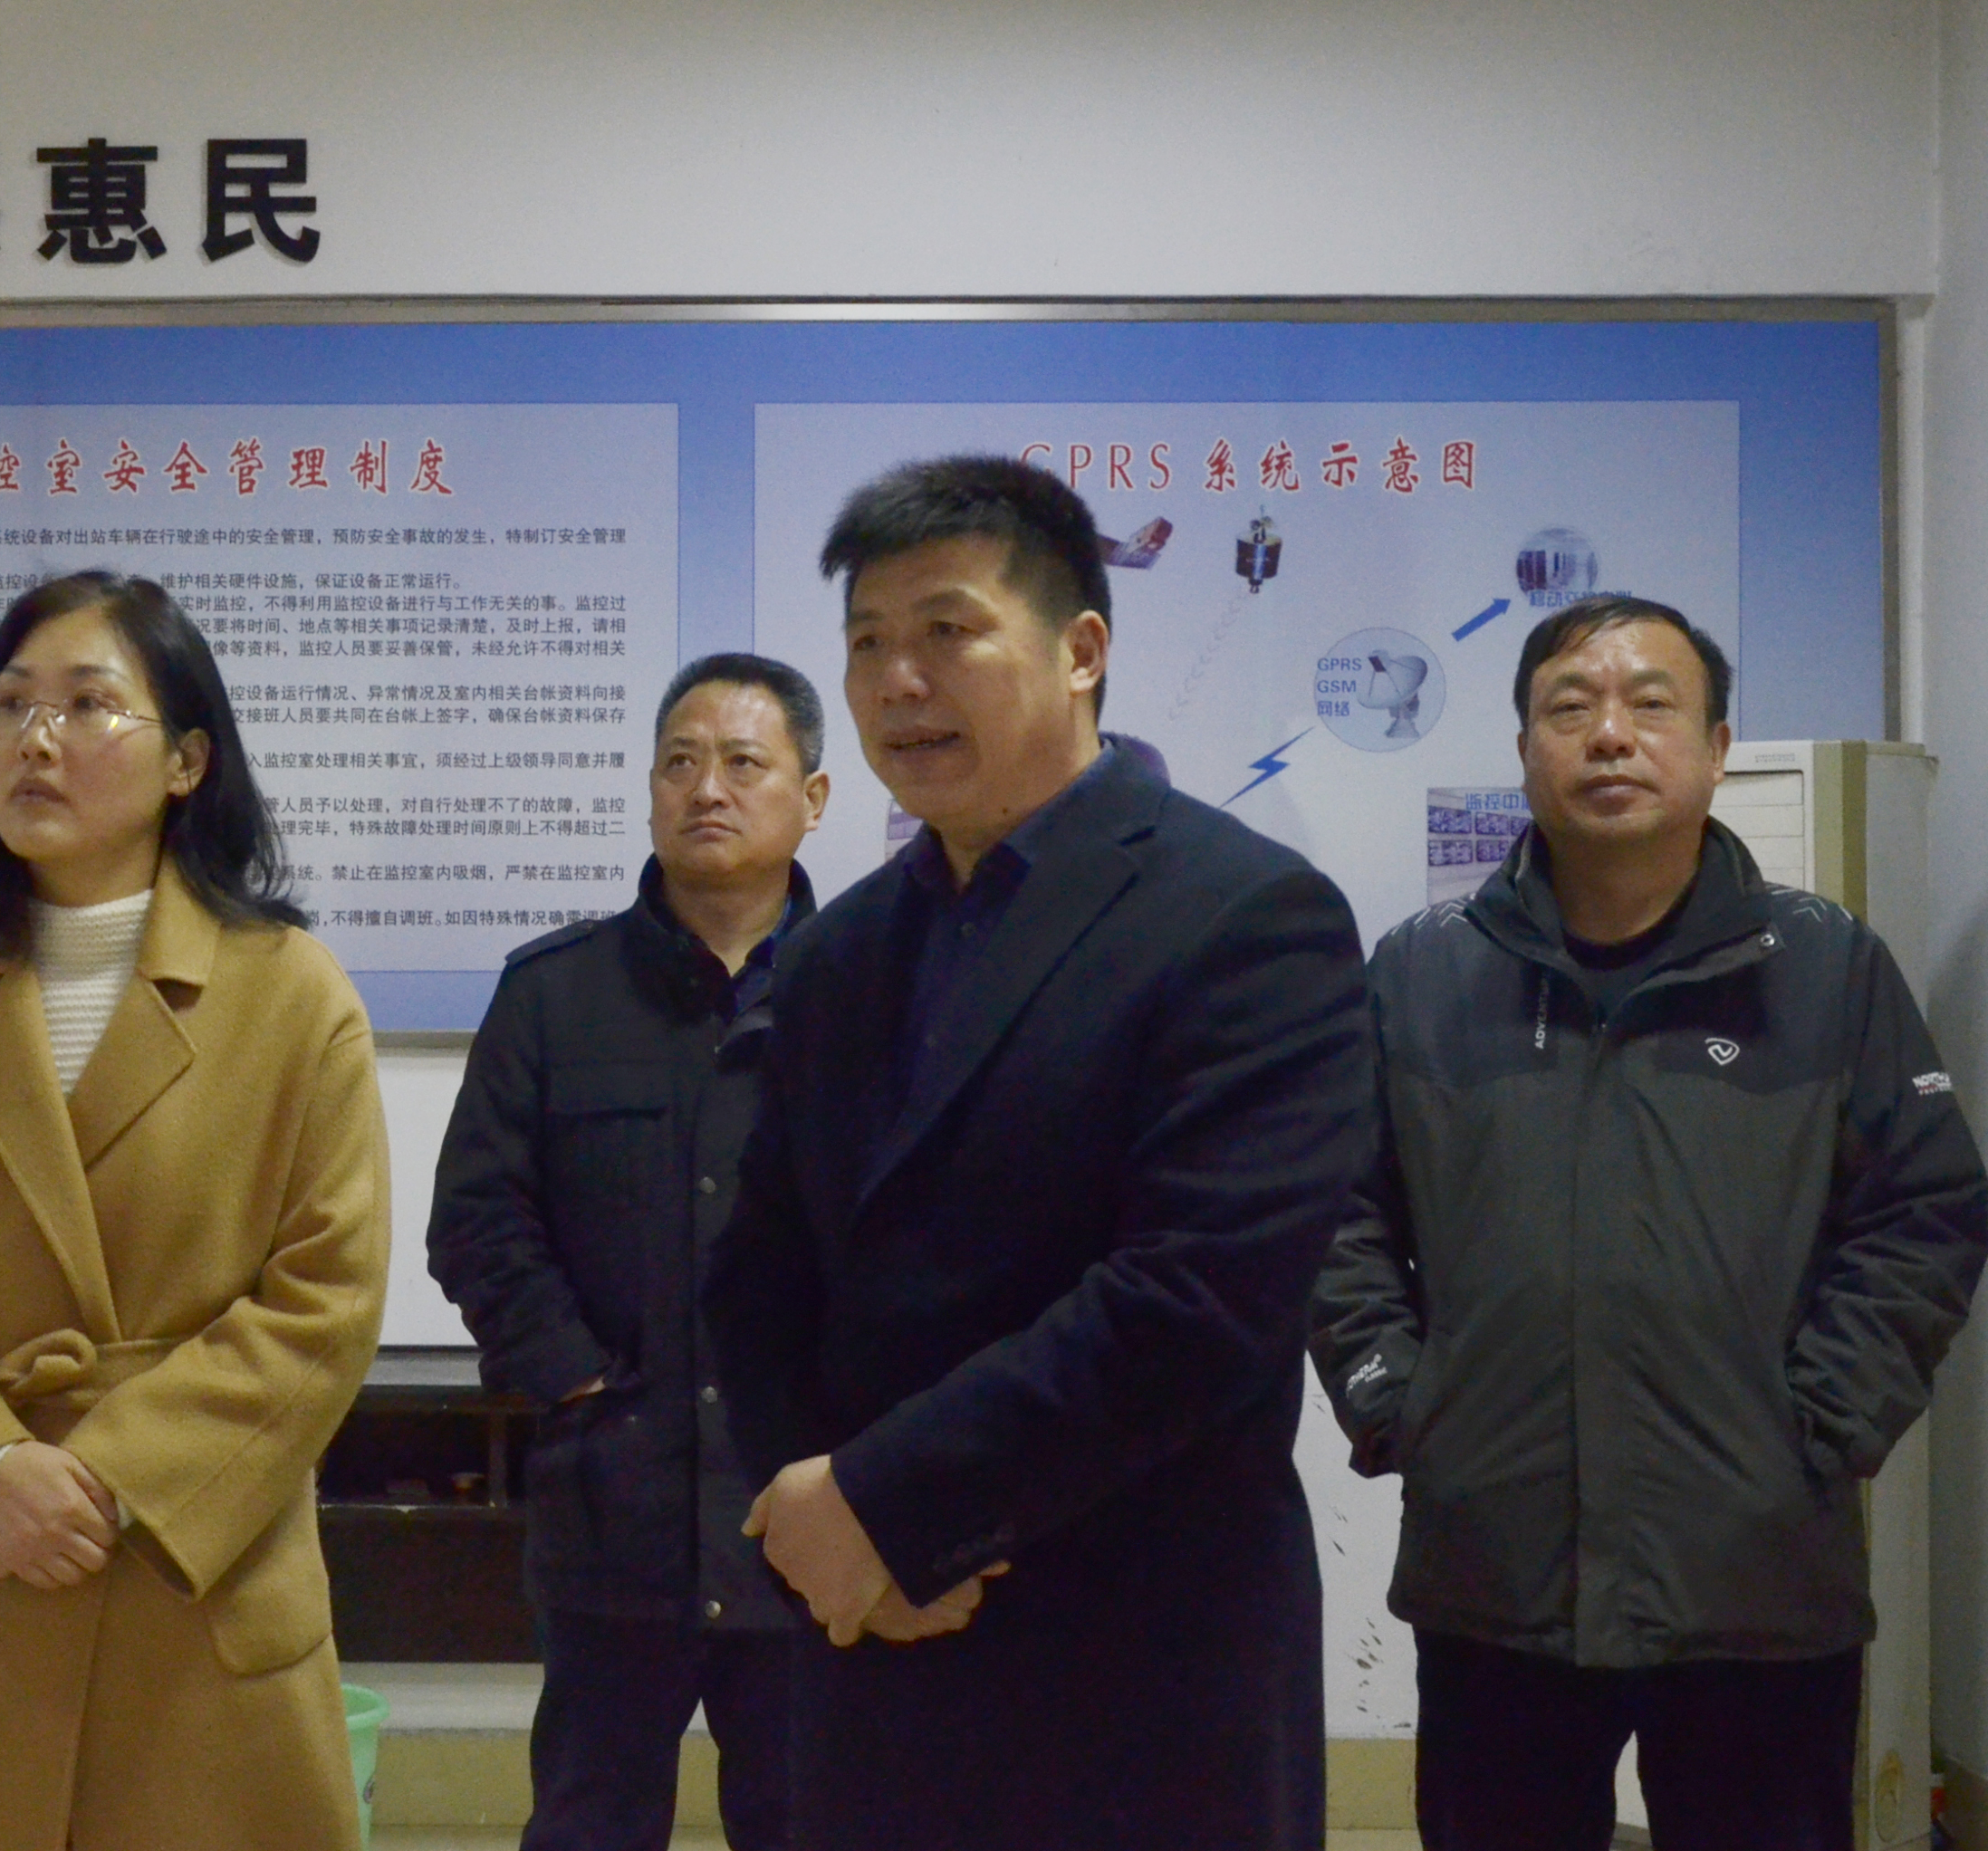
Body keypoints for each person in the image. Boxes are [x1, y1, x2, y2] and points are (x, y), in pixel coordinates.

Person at [706, 456, 1374, 1847]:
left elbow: (1198, 1300)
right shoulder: (835, 953)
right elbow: (761, 1273)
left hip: (1141, 1672)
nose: (899, 681)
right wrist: (822, 1528)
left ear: (1082, 651)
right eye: (868, 643)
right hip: (877, 1654)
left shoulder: (1246, 915)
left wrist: (890, 1505)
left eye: (948, 631)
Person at [1311, 594, 1988, 1851]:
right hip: (1496, 1573)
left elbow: (1926, 1208)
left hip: (1755, 1578)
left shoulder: (1826, 969)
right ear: (1524, 751)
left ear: (1717, 747)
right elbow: (1335, 1211)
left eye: (1651, 704)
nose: (1610, 734)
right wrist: (1396, 1400)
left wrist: (1825, 1423)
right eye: (1570, 707)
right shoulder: (1421, 972)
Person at [0, 571, 390, 1851]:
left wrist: (112, 1480)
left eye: (86, 704)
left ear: (187, 761)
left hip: (188, 1570)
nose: (34, 739)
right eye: (7, 705)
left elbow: (325, 1300)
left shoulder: (292, 996)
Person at [428, 652, 832, 1851]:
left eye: (744, 763)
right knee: (588, 1823)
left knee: (817, 1821)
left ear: (813, 797)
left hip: (809, 1512)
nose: (707, 788)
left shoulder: (871, 989)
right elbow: (478, 1217)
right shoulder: (556, 995)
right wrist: (572, 1378)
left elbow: (924, 1234)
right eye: (680, 763)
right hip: (615, 1509)